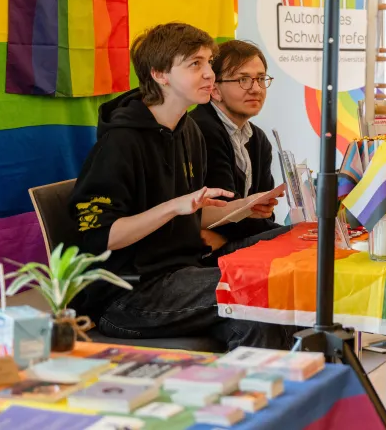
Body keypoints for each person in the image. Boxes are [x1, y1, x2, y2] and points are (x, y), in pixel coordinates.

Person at [69, 22, 293, 350]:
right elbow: (101, 236)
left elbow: (190, 217)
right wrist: (174, 206)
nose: (209, 74)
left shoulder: (189, 132)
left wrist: (241, 207)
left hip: (185, 270)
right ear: (160, 74)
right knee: (254, 293)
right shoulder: (120, 143)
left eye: (208, 63)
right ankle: (265, 393)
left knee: (292, 253)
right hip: (126, 295)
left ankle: (281, 391)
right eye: (195, 64)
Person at [190, 40, 284, 251]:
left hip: (233, 241)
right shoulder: (201, 129)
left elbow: (264, 211)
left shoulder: (258, 138)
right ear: (214, 89)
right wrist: (282, 233)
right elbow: (228, 211)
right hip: (200, 254)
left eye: (260, 79)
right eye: (243, 80)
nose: (256, 89)